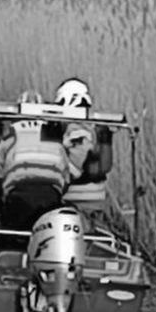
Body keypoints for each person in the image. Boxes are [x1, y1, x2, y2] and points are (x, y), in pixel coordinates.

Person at [53, 78, 113, 214]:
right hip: (98, 195)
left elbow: (74, 168)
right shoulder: (93, 127)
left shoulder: (73, 130)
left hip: (72, 197)